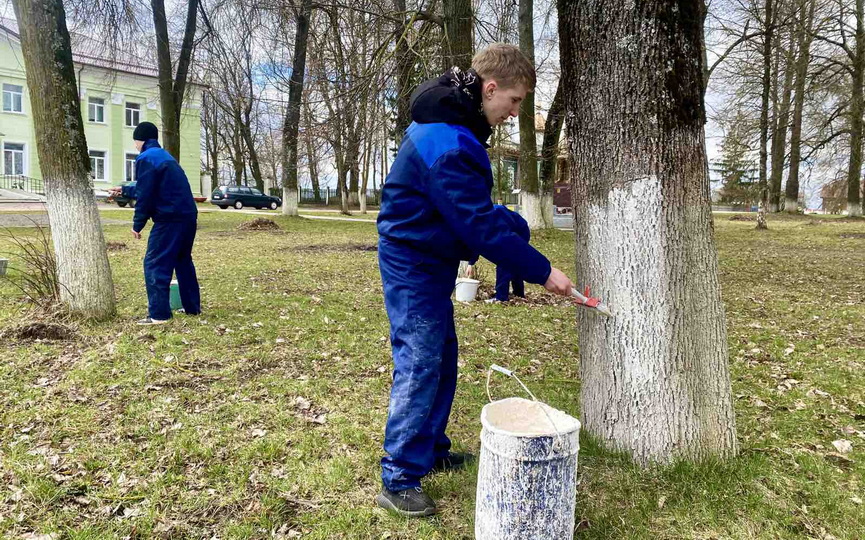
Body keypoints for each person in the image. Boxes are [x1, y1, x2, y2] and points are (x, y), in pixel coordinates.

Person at [374, 44, 575, 517]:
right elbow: (476, 227)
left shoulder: (455, 126)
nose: (514, 112)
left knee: (442, 357)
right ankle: (399, 475)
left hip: (429, 256)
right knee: (421, 361)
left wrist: (508, 226)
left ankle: (432, 449)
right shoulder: (448, 142)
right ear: (489, 89)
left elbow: (469, 211)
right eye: (516, 101)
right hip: (413, 263)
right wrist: (545, 272)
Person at [108, 121, 201, 325]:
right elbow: (151, 186)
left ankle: (159, 315)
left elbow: (146, 194)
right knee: (183, 261)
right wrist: (123, 190)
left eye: (134, 142)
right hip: (187, 216)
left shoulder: (146, 157)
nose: (134, 146)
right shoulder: (165, 156)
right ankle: (192, 308)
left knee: (155, 263)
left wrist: (137, 224)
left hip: (169, 220)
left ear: (139, 140)